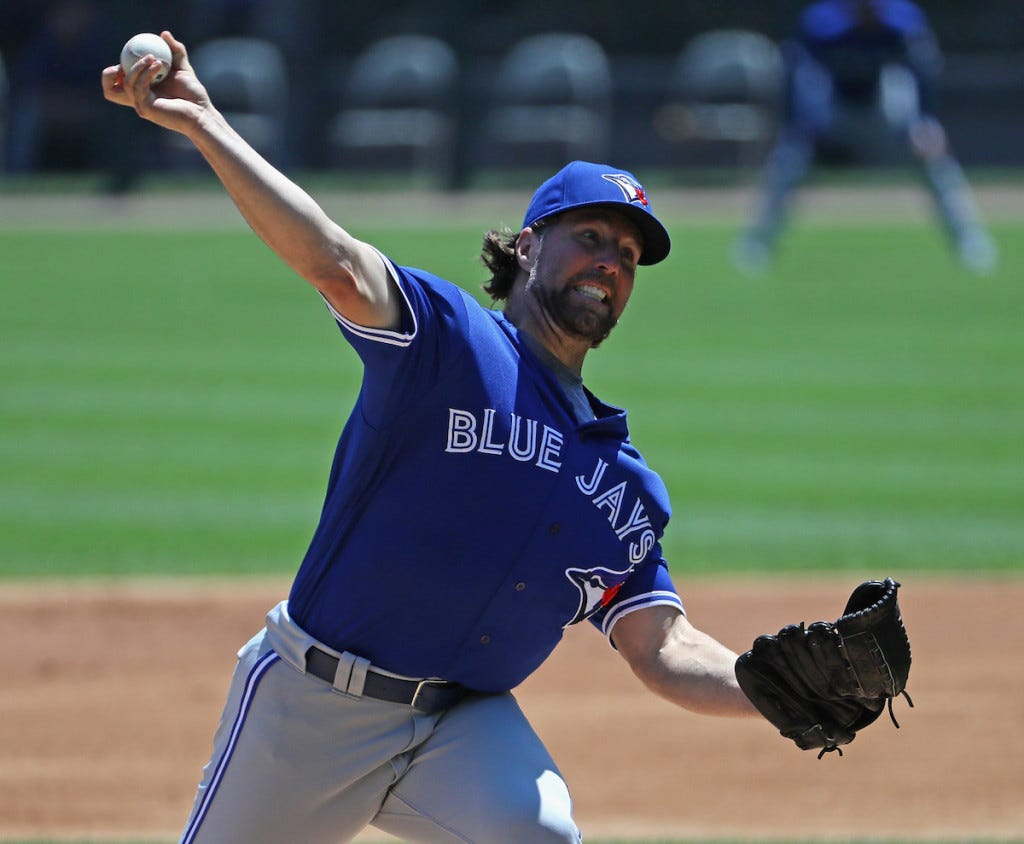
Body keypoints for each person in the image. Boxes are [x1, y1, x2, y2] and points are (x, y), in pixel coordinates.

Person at [103, 32, 758, 844]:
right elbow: (337, 263)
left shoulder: (618, 478)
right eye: (590, 237)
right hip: (314, 708)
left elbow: (663, 647)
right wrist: (207, 124)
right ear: (527, 247)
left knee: (542, 836)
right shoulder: (443, 342)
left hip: (460, 729)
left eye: (627, 255)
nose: (611, 263)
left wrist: (766, 684)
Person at [733, 0, 998, 275]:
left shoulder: (902, 19)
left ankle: (969, 241)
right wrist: (792, 124)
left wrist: (926, 122)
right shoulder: (822, 22)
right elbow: (795, 72)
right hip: (834, 108)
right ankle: (757, 244)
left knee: (931, 154)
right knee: (788, 159)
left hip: (883, 107)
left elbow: (922, 72)